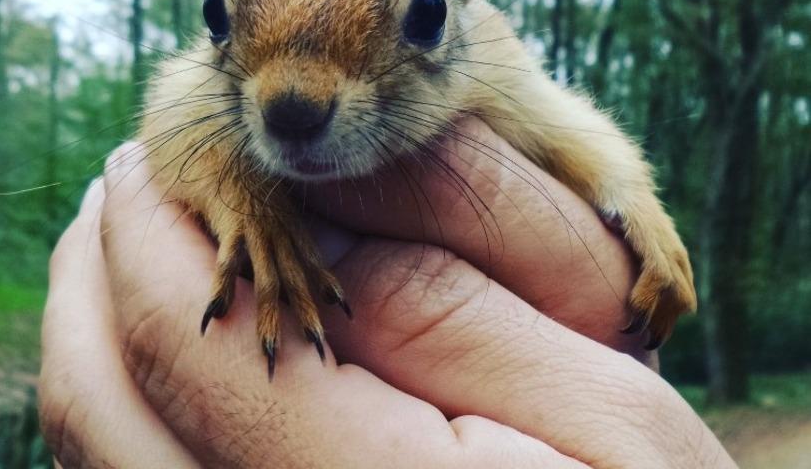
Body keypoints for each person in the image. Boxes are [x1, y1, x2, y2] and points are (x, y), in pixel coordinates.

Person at [38, 118, 737, 468]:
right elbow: (171, 129)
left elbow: (564, 127)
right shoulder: (214, 98)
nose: (297, 101)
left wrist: (639, 210)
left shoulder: (489, 67)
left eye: (422, 13)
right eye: (226, 18)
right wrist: (241, 203)